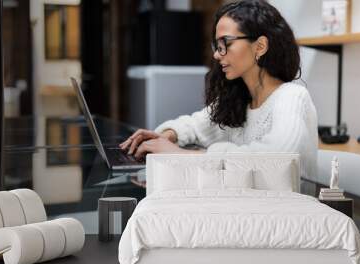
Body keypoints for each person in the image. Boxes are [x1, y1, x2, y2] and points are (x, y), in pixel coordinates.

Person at [120, 0, 318, 180]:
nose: (216, 54)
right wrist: (167, 135)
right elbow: (195, 125)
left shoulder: (292, 96)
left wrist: (182, 155)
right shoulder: (239, 100)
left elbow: (276, 159)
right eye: (216, 44)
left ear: (260, 46)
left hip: (287, 214)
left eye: (225, 44)